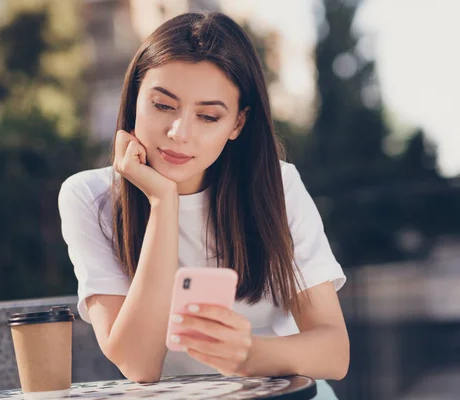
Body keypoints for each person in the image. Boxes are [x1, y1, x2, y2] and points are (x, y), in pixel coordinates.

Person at [58, 12, 348, 399]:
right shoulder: (88, 197)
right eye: (162, 106)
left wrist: (249, 353)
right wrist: (162, 202)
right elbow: (139, 364)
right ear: (134, 101)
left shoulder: (276, 185)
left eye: (208, 116)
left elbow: (334, 352)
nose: (179, 133)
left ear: (237, 125)